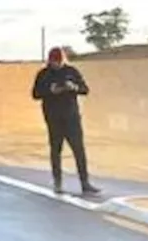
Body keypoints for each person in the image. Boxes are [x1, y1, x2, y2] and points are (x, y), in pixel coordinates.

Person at [32, 47, 101, 196]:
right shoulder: (43, 74)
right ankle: (57, 183)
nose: (56, 64)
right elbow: (35, 94)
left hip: (72, 117)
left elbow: (85, 90)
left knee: (79, 150)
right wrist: (50, 90)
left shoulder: (71, 71)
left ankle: (85, 183)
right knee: (56, 150)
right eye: (53, 61)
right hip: (53, 118)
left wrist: (74, 87)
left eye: (58, 61)